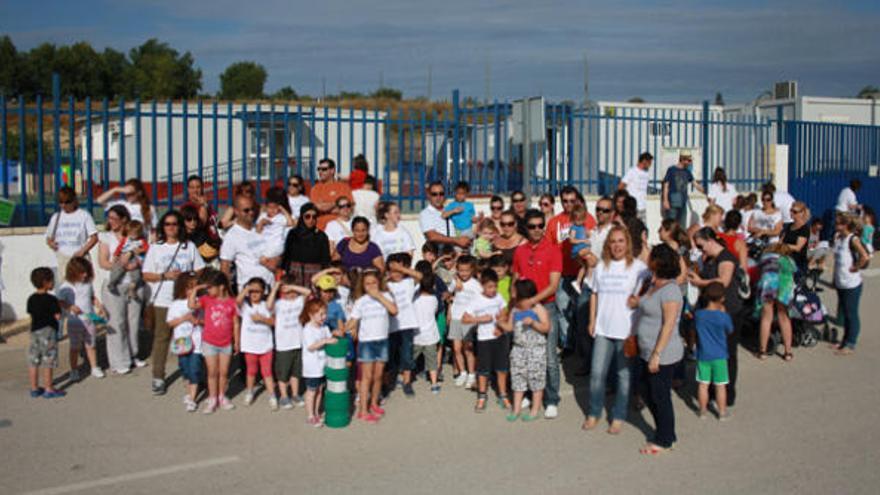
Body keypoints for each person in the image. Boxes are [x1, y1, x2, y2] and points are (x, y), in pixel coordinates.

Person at [582, 225, 647, 433]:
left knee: (624, 376)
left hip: (627, 331)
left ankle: (618, 415)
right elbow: (594, 294)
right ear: (608, 245)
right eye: (613, 241)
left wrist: (640, 300)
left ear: (627, 243)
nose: (617, 245)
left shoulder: (638, 267)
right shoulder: (601, 267)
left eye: (621, 241)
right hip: (603, 328)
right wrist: (592, 321)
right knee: (597, 373)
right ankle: (594, 413)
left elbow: (656, 285)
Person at [143, 210, 206, 395]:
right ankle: (158, 376)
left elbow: (200, 269)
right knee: (162, 338)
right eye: (167, 224)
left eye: (175, 224)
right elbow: (146, 274)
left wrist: (189, 278)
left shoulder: (189, 246)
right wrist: (165, 275)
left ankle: (194, 374)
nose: (171, 227)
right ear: (163, 227)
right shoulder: (156, 248)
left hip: (186, 300)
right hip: (163, 299)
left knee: (192, 336)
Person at [633, 244, 684, 453]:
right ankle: (664, 431)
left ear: (659, 262)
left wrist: (657, 354)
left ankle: (665, 438)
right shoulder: (653, 283)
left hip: (663, 353)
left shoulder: (671, 290)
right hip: (645, 348)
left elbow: (669, 325)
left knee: (660, 395)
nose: (648, 258)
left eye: (651, 256)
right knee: (646, 390)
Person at [512, 209, 563, 419]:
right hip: (523, 308)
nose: (537, 230)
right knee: (522, 354)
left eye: (540, 225)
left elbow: (553, 286)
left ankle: (551, 400)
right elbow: (515, 280)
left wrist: (531, 302)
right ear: (526, 227)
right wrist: (514, 304)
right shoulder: (520, 251)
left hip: (545, 308)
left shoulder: (553, 250)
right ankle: (526, 394)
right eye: (532, 226)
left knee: (549, 358)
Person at [689, 227, 743, 405]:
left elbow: (723, 281)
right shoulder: (712, 259)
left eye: (701, 245)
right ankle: (714, 390)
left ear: (710, 240)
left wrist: (700, 282)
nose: (699, 249)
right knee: (713, 353)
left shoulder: (726, 258)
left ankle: (726, 394)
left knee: (727, 354)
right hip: (713, 312)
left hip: (728, 312)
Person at [545, 186, 596, 353]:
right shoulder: (554, 222)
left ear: (578, 200)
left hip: (582, 272)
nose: (568, 204)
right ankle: (567, 344)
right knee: (562, 309)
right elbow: (549, 247)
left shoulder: (588, 219)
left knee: (581, 312)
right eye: (564, 201)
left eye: (572, 201)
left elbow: (595, 241)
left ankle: (583, 347)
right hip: (561, 272)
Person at [97, 205, 146, 374]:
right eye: (109, 218)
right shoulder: (106, 238)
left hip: (133, 283)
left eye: (114, 218)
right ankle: (119, 361)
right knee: (116, 322)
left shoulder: (136, 236)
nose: (111, 222)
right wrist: (122, 266)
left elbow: (145, 253)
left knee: (133, 321)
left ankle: (133, 355)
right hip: (115, 284)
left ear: (124, 219)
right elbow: (103, 262)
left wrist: (137, 262)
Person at [347, 270, 398, 423]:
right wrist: (342, 330)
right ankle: (363, 410)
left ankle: (374, 403)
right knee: (366, 377)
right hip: (367, 343)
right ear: (362, 285)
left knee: (378, 376)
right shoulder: (360, 301)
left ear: (379, 283)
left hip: (382, 340)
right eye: (367, 283)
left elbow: (394, 310)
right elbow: (353, 322)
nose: (371, 286)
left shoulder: (386, 296)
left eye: (373, 283)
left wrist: (379, 296)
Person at [495, 279, 549, 422]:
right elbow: (511, 327)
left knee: (536, 380)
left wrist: (534, 323)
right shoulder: (515, 309)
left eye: (515, 292)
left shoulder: (538, 308)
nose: (513, 295)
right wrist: (500, 323)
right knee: (517, 379)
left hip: (536, 350)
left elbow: (546, 327)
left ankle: (534, 410)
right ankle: (516, 409)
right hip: (518, 349)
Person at [189, 270, 238, 414]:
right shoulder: (206, 299)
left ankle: (222, 396)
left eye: (210, 287)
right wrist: (196, 289)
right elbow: (191, 305)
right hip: (209, 341)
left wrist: (237, 341)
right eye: (207, 288)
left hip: (226, 342)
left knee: (224, 372)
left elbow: (236, 323)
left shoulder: (232, 302)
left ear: (221, 287)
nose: (208, 290)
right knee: (212, 372)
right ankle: (212, 398)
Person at [462, 269, 509, 412]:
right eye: (489, 287)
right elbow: (465, 319)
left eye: (495, 286)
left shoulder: (498, 297)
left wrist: (501, 327)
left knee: (502, 368)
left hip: (500, 337)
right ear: (482, 285)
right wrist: (480, 319)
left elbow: (504, 311)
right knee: (483, 370)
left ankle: (503, 394)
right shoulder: (476, 300)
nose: (493, 290)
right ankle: (482, 396)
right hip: (484, 339)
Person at [267, 275, 312, 409]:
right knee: (283, 373)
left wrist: (292, 287)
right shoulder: (279, 304)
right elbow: (268, 305)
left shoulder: (299, 301)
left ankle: (295, 394)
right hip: (283, 345)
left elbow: (308, 292)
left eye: (292, 291)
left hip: (298, 343)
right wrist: (276, 288)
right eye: (287, 292)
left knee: (295, 372)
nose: (290, 294)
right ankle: (283, 396)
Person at [57, 257, 104, 381]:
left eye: (86, 272)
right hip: (75, 320)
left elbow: (91, 297)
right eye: (82, 272)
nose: (85, 275)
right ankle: (73, 369)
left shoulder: (88, 283)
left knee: (91, 344)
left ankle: (94, 367)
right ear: (73, 272)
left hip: (89, 317)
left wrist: (98, 304)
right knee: (75, 347)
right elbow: (60, 302)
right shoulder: (66, 286)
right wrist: (70, 306)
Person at [220, 195, 278, 292]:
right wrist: (229, 294)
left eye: (252, 209)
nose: (251, 213)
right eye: (246, 210)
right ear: (236, 211)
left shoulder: (260, 229)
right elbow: (225, 267)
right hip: (249, 294)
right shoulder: (232, 236)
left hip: (270, 289)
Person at [235, 278, 278, 409]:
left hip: (265, 346)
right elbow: (237, 301)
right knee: (251, 371)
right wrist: (246, 289)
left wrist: (263, 319)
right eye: (251, 291)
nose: (254, 294)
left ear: (263, 292)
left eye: (257, 291)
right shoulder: (245, 306)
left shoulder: (267, 305)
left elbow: (274, 322)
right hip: (250, 346)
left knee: (267, 372)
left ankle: (272, 395)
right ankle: (249, 392)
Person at [694, 282, 733, 420]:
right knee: (720, 385)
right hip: (720, 355)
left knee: (703, 384)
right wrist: (724, 313)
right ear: (722, 298)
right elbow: (730, 330)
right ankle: (722, 412)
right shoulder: (724, 317)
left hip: (703, 354)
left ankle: (702, 411)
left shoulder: (699, 315)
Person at [386, 252, 423, 397]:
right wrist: (388, 273)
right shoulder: (386, 285)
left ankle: (407, 382)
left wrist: (401, 269)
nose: (397, 273)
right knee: (390, 355)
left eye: (399, 270)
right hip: (390, 327)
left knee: (407, 355)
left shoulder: (408, 282)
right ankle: (388, 383)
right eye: (393, 270)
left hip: (407, 325)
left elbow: (419, 276)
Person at [832, 213, 870, 356]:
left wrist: (856, 267)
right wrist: (834, 279)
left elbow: (864, 256)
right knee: (844, 312)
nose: (836, 225)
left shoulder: (852, 239)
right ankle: (843, 341)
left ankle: (850, 343)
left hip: (852, 283)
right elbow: (836, 260)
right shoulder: (838, 237)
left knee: (850, 313)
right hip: (841, 281)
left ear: (845, 225)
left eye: (838, 223)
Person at [26, 267, 65, 399]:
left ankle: (34, 388)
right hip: (48, 331)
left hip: (34, 331)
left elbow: (31, 315)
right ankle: (49, 388)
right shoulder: (52, 299)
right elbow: (58, 316)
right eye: (52, 280)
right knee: (48, 359)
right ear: (46, 282)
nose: (53, 283)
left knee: (34, 360)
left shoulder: (31, 299)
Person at [754, 243, 797, 361]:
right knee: (784, 317)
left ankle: (762, 351)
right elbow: (794, 272)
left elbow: (758, 270)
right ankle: (788, 352)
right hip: (784, 288)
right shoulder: (789, 261)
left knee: (766, 318)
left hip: (768, 285)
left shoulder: (765, 258)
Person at [166, 273, 202, 412]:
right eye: (189, 288)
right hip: (181, 341)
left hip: (197, 342)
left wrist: (196, 321)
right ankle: (189, 392)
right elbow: (170, 323)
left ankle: (192, 398)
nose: (192, 291)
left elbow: (204, 320)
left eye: (195, 287)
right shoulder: (175, 305)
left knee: (194, 369)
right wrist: (184, 319)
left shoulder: (199, 302)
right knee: (185, 368)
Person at [45, 186, 98, 279]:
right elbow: (49, 237)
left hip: (79, 257)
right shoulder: (56, 217)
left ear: (74, 201)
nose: (63, 205)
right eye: (61, 202)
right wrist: (51, 244)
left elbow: (94, 237)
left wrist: (82, 251)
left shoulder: (84, 215)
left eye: (67, 202)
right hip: (62, 256)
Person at [300, 298, 337, 427]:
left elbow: (330, 338)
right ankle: (310, 415)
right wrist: (325, 341)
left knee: (320, 390)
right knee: (311, 390)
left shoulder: (324, 327)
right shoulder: (308, 329)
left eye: (325, 313)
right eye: (320, 314)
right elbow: (311, 346)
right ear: (311, 314)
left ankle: (316, 412)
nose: (324, 317)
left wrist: (334, 337)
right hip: (312, 368)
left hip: (323, 366)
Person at [449, 255, 481, 389]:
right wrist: (455, 285)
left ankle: (471, 374)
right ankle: (462, 372)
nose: (464, 273)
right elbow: (448, 295)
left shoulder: (476, 285)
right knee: (456, 348)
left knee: (468, 348)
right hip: (456, 318)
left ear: (472, 270)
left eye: (467, 270)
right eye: (461, 270)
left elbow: (480, 302)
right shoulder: (455, 281)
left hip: (468, 319)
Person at [281, 203, 332, 286]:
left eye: (314, 217)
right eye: (307, 216)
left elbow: (325, 260)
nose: (311, 219)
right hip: (294, 274)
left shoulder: (321, 236)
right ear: (302, 217)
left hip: (314, 275)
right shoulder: (293, 234)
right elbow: (287, 255)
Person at [419, 181, 471, 250]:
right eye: (434, 194)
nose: (438, 197)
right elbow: (432, 236)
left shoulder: (451, 209)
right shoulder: (426, 213)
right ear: (428, 195)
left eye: (441, 194)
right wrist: (457, 240)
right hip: (439, 252)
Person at [413, 271, 442, 394]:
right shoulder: (434, 299)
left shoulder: (414, 298)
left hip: (416, 335)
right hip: (430, 335)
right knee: (432, 361)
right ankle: (434, 384)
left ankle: (405, 380)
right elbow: (435, 312)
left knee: (410, 359)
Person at [107, 220, 147, 302]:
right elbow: (119, 248)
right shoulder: (125, 240)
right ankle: (112, 283)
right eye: (130, 233)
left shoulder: (141, 241)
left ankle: (132, 289)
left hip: (135, 259)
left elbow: (147, 248)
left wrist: (141, 250)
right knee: (117, 270)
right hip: (123, 257)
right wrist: (115, 255)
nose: (132, 236)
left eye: (134, 234)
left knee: (136, 275)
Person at [310, 158, 354, 231]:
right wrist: (338, 204)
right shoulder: (315, 189)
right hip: (320, 227)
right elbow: (318, 207)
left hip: (340, 228)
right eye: (319, 169)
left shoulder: (343, 187)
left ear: (332, 170)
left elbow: (349, 209)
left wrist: (325, 206)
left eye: (324, 169)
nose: (320, 172)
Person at [662, 152, 704, 226]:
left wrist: (704, 191)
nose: (690, 163)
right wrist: (665, 200)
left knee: (682, 225)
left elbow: (695, 184)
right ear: (682, 159)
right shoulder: (671, 170)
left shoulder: (687, 171)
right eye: (689, 160)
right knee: (671, 225)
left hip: (683, 202)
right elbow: (666, 185)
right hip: (672, 202)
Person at [255, 187, 295, 258]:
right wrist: (261, 223)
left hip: (276, 245)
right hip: (264, 244)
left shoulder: (280, 217)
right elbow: (257, 231)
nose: (272, 210)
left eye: (275, 207)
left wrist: (282, 210)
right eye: (270, 207)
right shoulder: (263, 216)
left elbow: (290, 223)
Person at [619, 151, 653, 221]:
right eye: (649, 163)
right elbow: (621, 186)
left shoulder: (646, 173)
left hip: (642, 206)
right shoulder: (632, 171)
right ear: (644, 161)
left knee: (642, 228)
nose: (650, 165)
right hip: (632, 207)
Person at [782, 201, 811, 273]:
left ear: (802, 213)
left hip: (797, 261)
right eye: (791, 210)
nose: (791, 213)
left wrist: (784, 245)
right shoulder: (788, 226)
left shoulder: (804, 229)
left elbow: (798, 248)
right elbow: (781, 240)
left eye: (795, 212)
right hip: (785, 258)